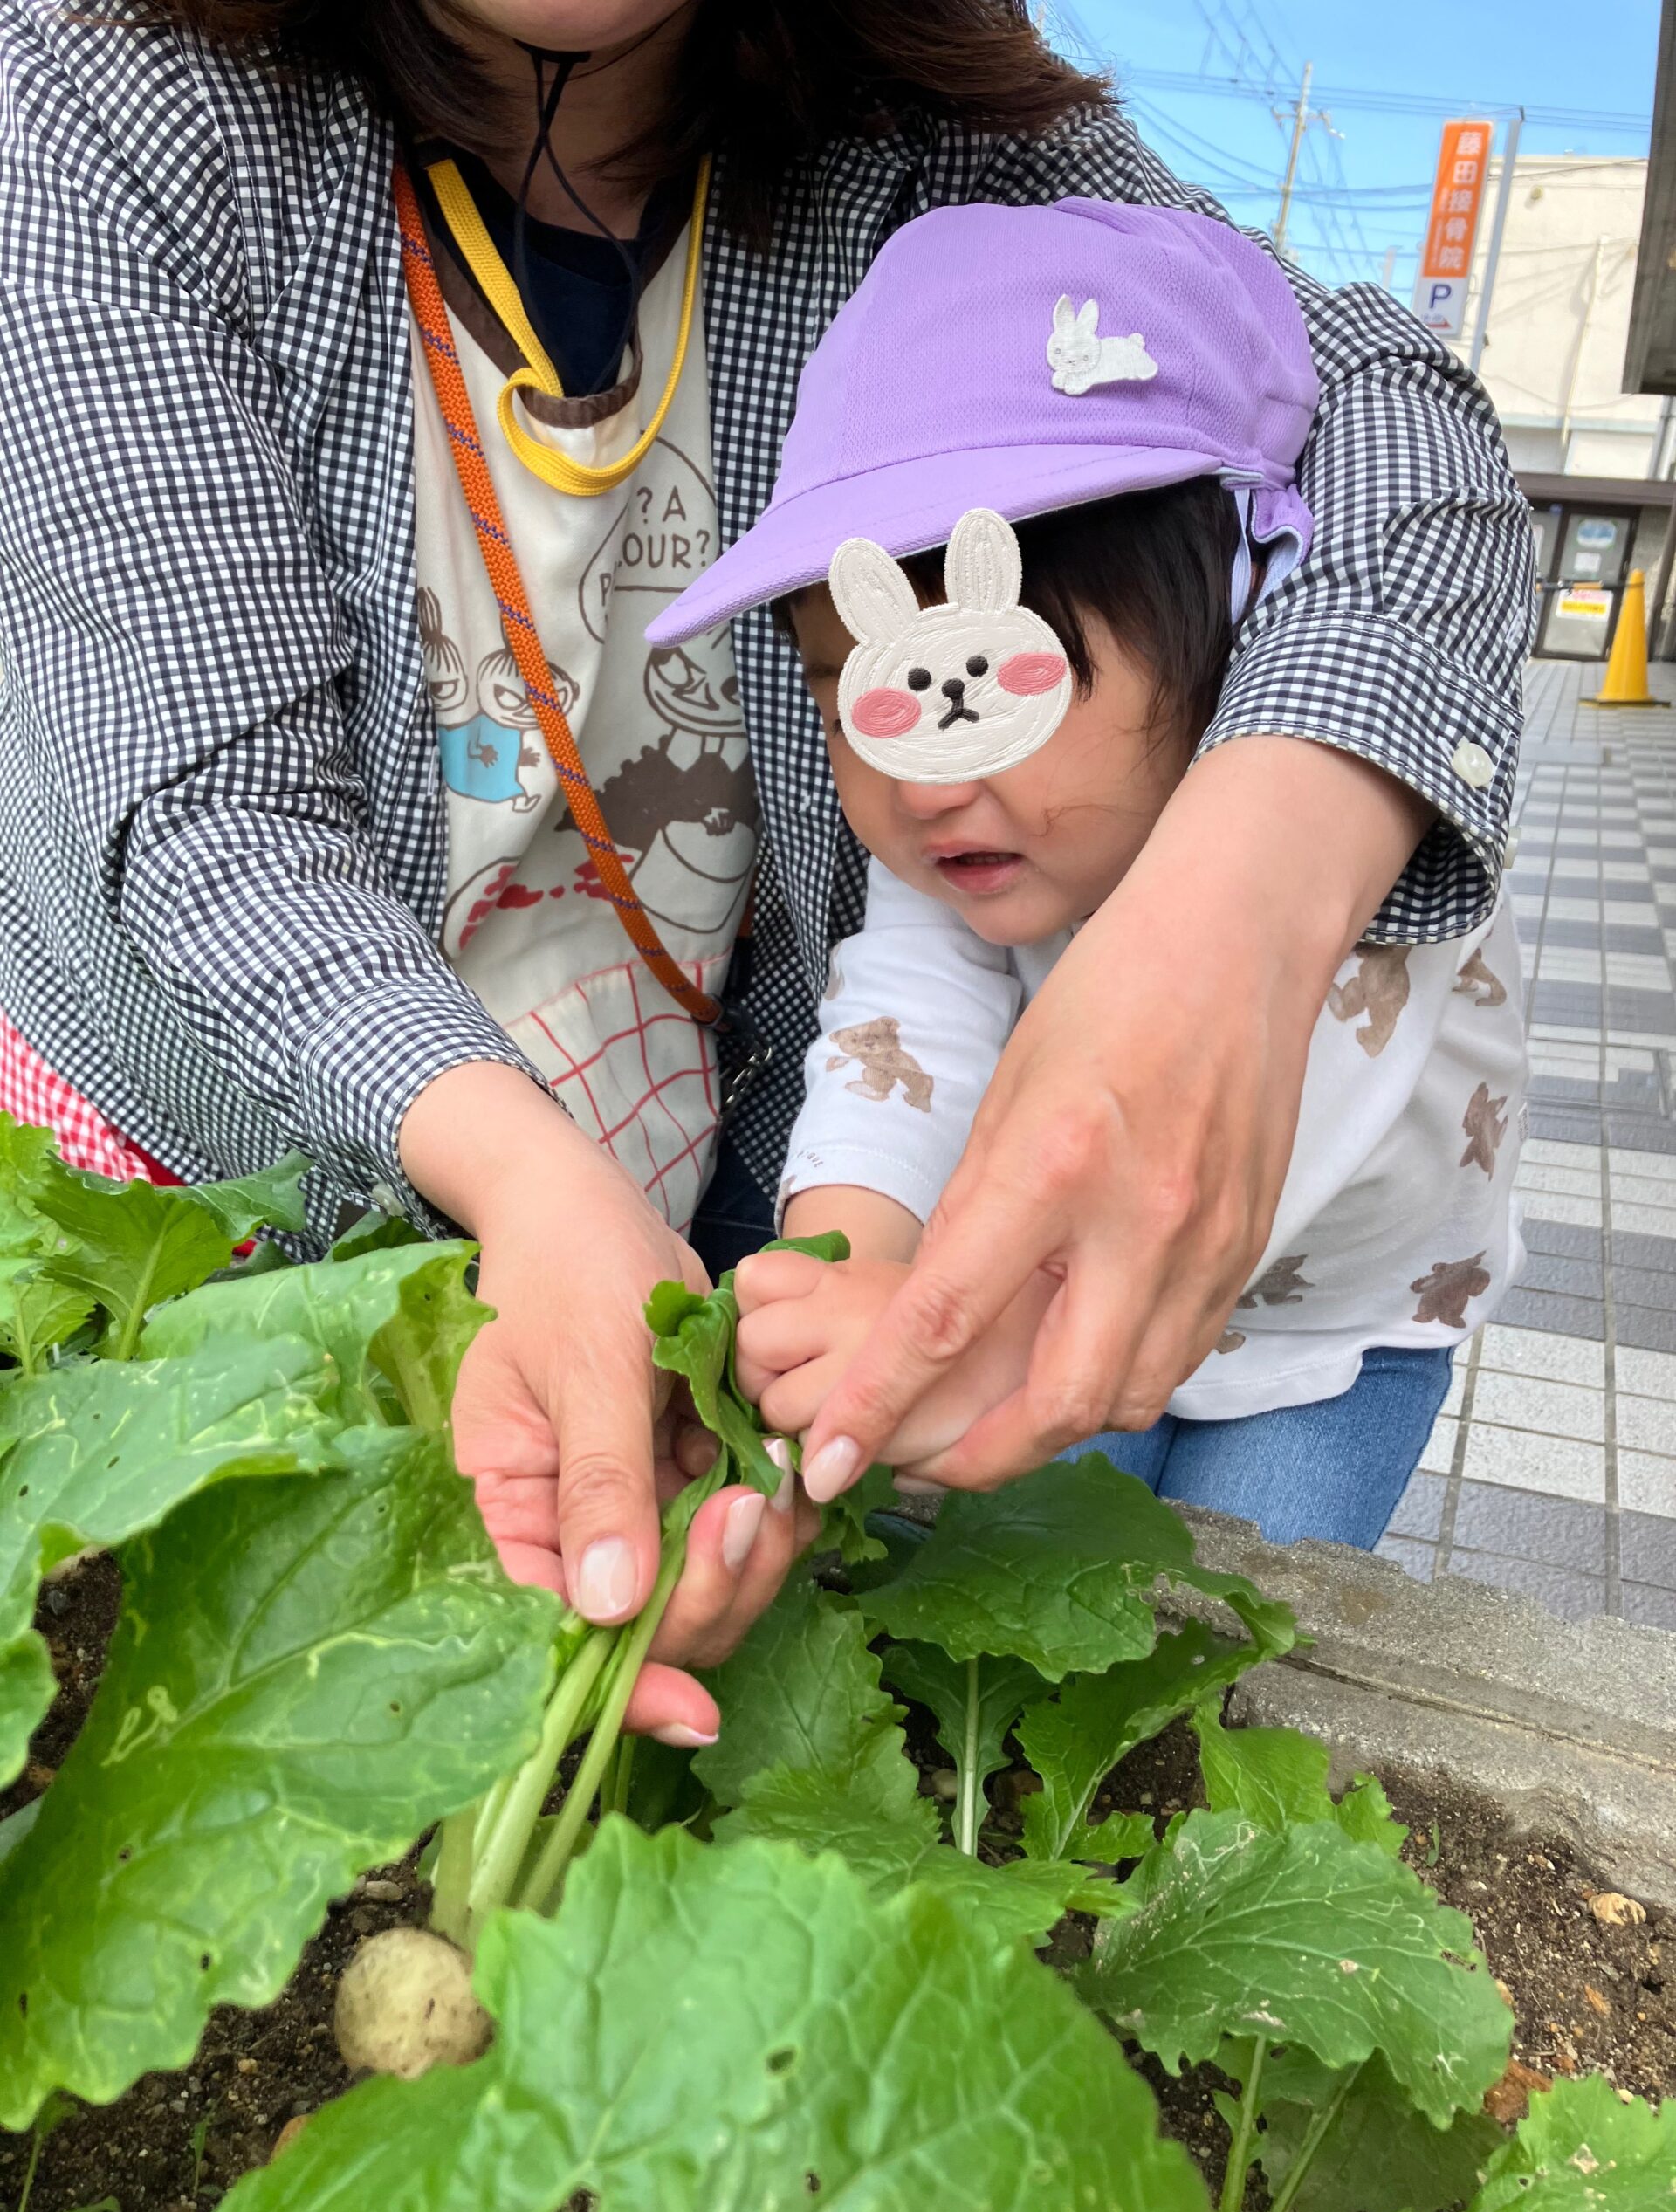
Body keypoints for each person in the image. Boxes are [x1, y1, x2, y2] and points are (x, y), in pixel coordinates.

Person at [0, 0, 1531, 1725]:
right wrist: (536, 1191)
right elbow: (219, 824)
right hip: (250, 1148)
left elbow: (1389, 408)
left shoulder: (923, 114)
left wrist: (1233, 895)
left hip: (693, 1130)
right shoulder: (116, 88)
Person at [648, 201, 1529, 1545]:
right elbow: (901, 1029)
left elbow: (1235, 1142)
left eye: (1007, 687)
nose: (930, 784)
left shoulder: (1326, 830)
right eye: (855, 699)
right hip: (1056, 1288)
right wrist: (839, 1274)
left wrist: (959, 1313)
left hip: (1336, 1335)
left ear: (1228, 629)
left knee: (1229, 1637)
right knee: (1027, 1608)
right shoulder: (956, 832)